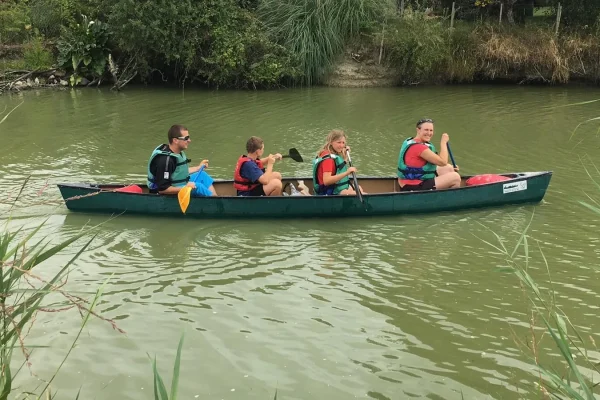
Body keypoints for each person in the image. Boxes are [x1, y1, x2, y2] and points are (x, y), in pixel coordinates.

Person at [147, 124, 217, 196]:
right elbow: (162, 189)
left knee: (202, 175)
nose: (189, 140)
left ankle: (216, 199)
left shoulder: (177, 153)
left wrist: (198, 168)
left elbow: (179, 172)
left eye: (189, 137)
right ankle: (216, 204)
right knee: (198, 186)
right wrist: (186, 188)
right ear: (175, 140)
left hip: (178, 184)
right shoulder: (165, 160)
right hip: (164, 193)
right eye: (186, 138)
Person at [397, 118, 461, 192]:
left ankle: (440, 193)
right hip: (412, 186)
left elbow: (439, 163)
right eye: (426, 130)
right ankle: (449, 200)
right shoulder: (419, 147)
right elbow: (443, 162)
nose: (429, 133)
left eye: (431, 130)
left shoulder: (410, 141)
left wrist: (450, 168)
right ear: (418, 130)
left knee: (449, 168)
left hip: (410, 181)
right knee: (455, 177)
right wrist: (443, 143)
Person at [312, 129, 364, 196]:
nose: (342, 145)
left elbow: (339, 167)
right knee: (360, 193)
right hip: (328, 191)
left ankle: (304, 189)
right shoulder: (328, 160)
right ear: (331, 142)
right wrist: (347, 173)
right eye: (339, 142)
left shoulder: (331, 153)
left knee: (359, 188)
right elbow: (326, 181)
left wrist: (345, 155)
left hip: (333, 187)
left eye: (343, 143)